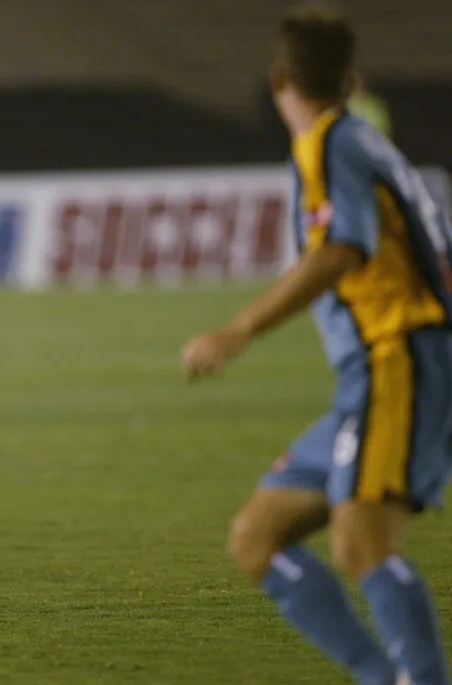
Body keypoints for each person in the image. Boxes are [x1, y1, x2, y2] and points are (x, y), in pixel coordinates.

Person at [182, 6, 451, 685]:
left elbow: (339, 250)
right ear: (351, 78)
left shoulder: (328, 142)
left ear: (279, 80)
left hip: (401, 359)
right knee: (257, 536)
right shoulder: (364, 141)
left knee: (362, 542)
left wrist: (239, 329)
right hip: (377, 373)